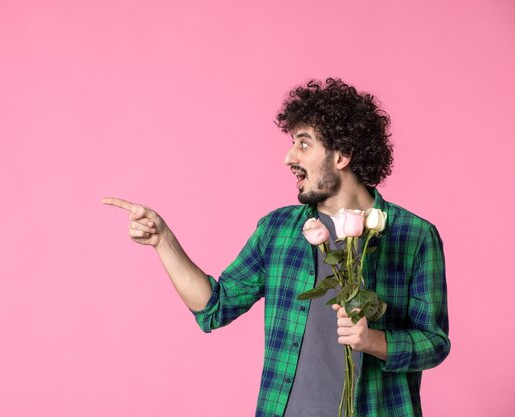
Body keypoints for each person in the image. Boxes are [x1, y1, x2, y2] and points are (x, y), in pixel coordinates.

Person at [103, 78, 450, 417]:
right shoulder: (278, 230)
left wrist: (374, 341)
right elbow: (214, 307)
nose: (288, 157)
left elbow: (435, 342)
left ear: (342, 154)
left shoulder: (414, 235)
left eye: (303, 144)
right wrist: (164, 241)